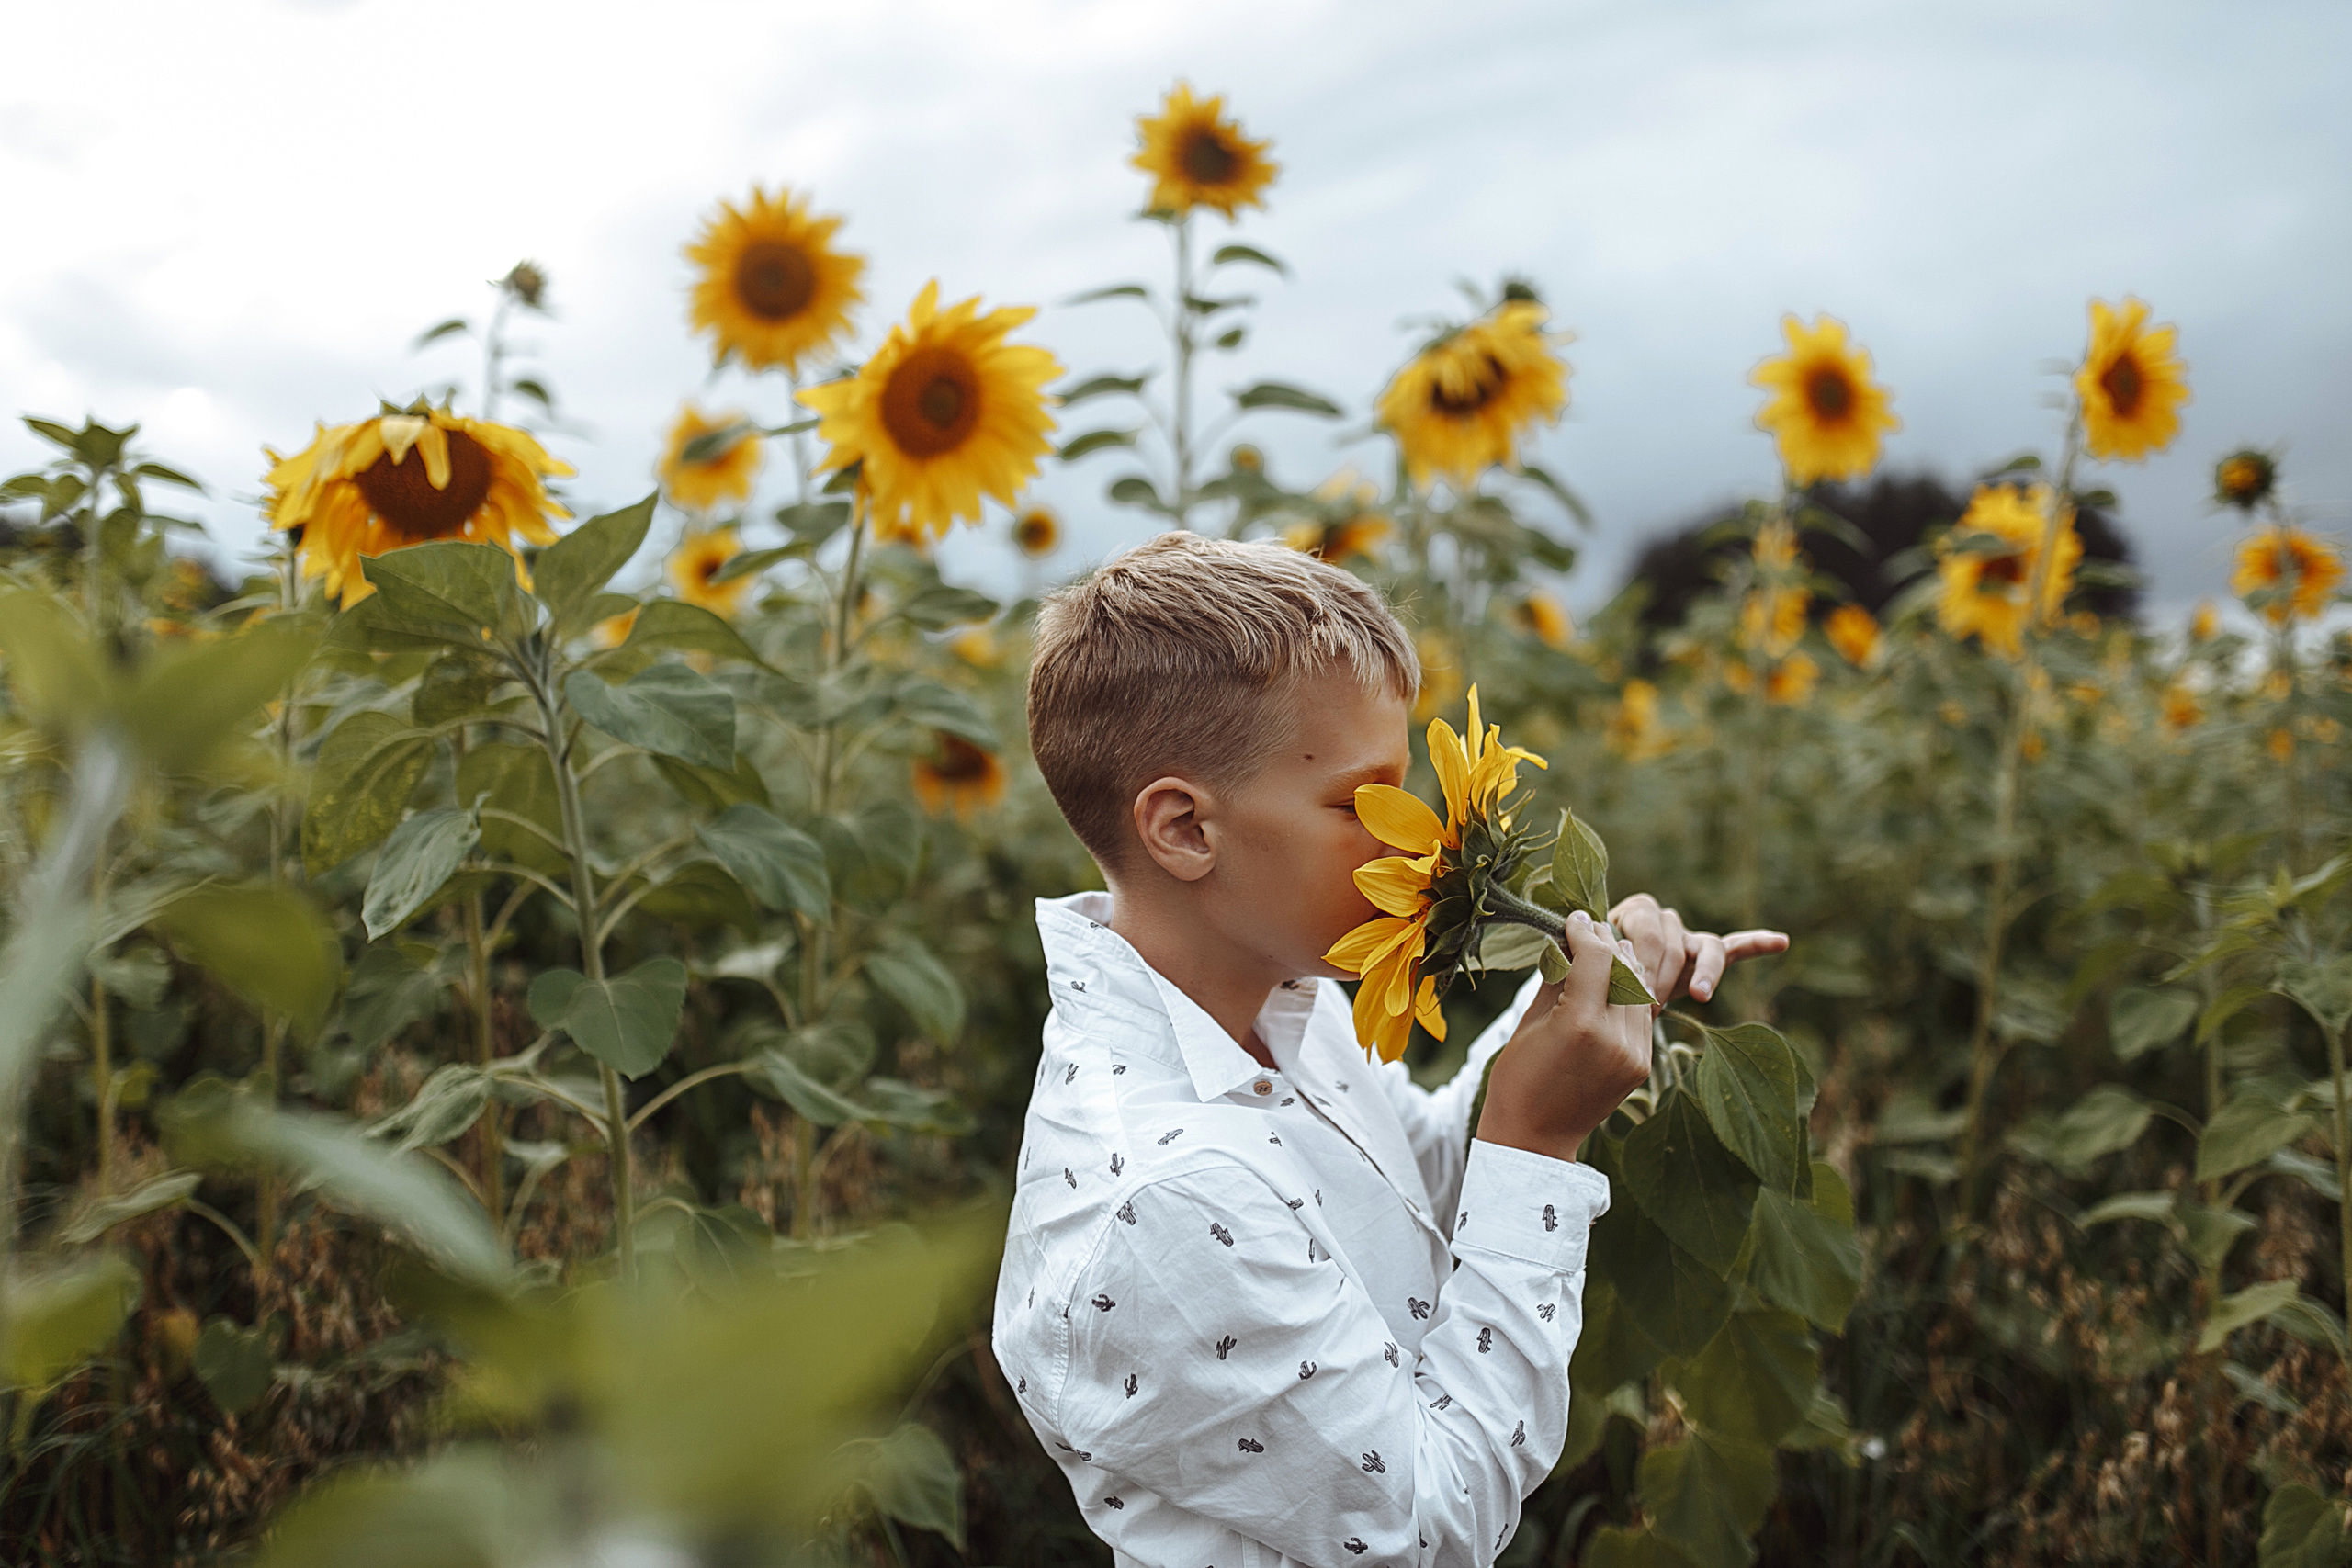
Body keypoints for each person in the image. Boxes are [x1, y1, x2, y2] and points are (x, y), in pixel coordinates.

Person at [992, 532, 1786, 1568]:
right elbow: (1433, 1526)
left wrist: (1579, 1004)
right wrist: (1536, 1141)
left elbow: (1414, 1181)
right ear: (1185, 829)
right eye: (1360, 804)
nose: (1417, 844)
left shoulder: (1280, 996)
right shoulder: (1164, 1199)